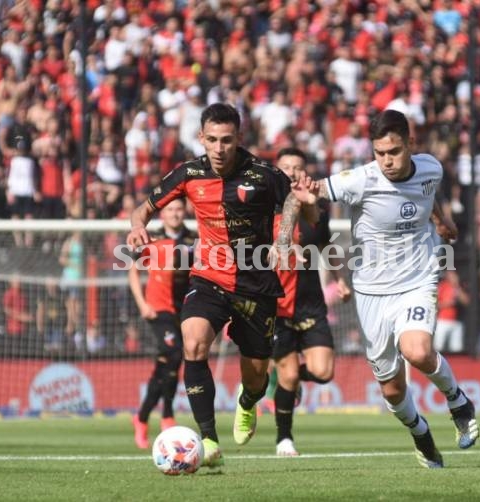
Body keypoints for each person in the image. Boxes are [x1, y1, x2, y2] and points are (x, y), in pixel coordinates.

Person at [280, 109, 479, 468]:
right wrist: (284, 239)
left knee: (417, 350)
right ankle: (420, 433)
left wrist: (442, 221)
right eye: (379, 153)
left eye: (394, 151)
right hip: (371, 291)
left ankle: (458, 401)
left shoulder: (431, 166)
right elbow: (299, 196)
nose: (386, 160)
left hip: (417, 278)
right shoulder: (360, 180)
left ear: (410, 145)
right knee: (392, 389)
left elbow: (427, 191)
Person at [126, 103, 301, 468]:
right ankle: (208, 439)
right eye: (213, 141)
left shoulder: (263, 173)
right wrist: (137, 226)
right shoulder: (188, 173)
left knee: (255, 378)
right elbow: (142, 208)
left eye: (227, 140)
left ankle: (248, 401)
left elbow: (293, 198)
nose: (219, 149)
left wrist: (283, 239)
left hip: (256, 285)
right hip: (209, 277)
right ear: (201, 138)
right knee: (194, 342)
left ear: (239, 138)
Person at [271, 147, 352, 456]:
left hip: (310, 302)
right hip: (278, 304)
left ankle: (287, 382)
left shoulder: (314, 210)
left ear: (305, 173)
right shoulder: (264, 208)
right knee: (288, 374)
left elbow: (326, 249)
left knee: (323, 371)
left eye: (297, 167)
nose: (291, 171)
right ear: (276, 171)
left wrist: (339, 278)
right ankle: (284, 439)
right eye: (286, 166)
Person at [129, 198, 196, 449]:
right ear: (163, 214)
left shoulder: (194, 239)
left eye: (179, 209)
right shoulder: (151, 237)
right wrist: (141, 304)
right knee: (175, 352)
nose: (175, 214)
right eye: (170, 209)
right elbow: (132, 269)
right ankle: (167, 414)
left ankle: (142, 417)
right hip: (159, 310)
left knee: (165, 365)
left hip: (185, 310)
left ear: (184, 211)